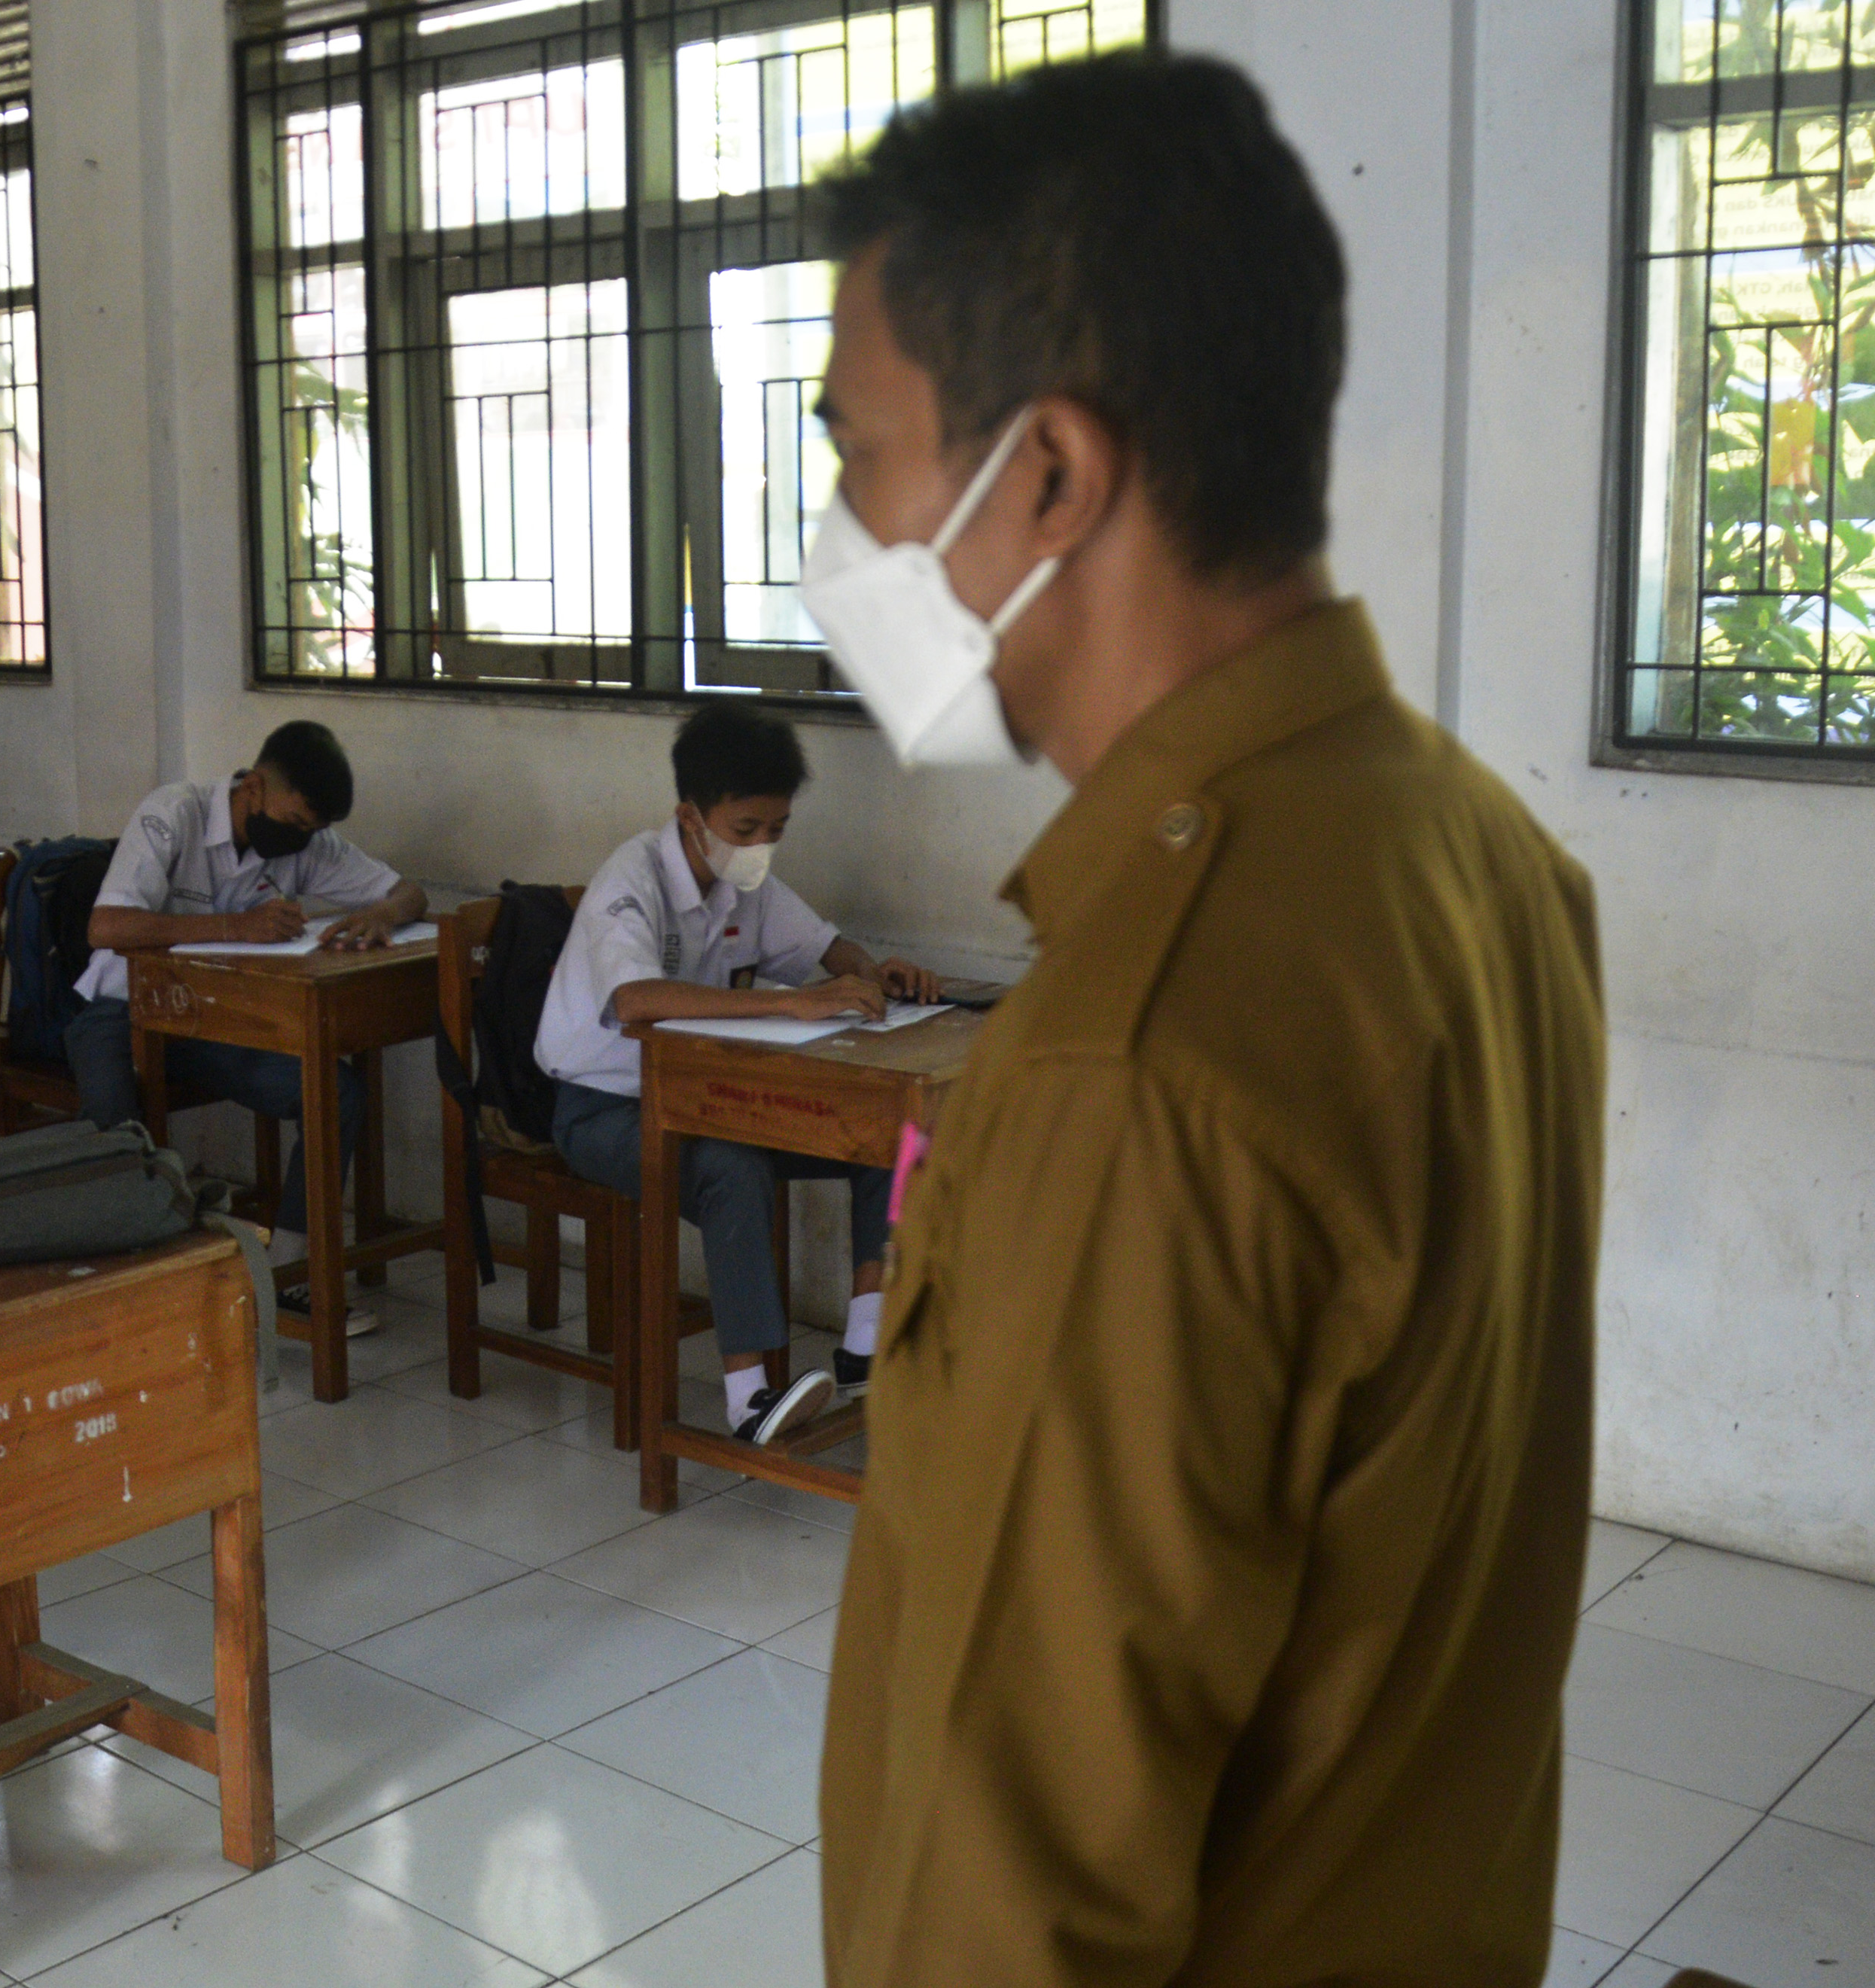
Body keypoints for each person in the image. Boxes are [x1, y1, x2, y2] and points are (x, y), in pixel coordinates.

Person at [800, 53, 1603, 1987]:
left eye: (857, 448)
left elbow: (1009, 1898)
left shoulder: (1133, 1061)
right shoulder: (1479, 857)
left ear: (1051, 475)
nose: (838, 522)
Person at [534, 702, 939, 1445]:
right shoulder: (632, 877)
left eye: (776, 830)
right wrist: (793, 1004)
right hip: (604, 1108)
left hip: (713, 1099)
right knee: (731, 1164)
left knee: (893, 1129)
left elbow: (829, 948)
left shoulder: (748, 886)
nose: (759, 847)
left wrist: (870, 972)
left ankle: (864, 1344)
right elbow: (635, 998)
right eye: (745, 830)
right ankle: (748, 1399)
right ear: (689, 816)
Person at [65, 720, 426, 1308]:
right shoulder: (173, 813)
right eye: (296, 823)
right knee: (112, 1125)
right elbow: (107, 927)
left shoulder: (305, 841)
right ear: (254, 787)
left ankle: (288, 1269)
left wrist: (383, 914)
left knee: (334, 1091)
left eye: (315, 830)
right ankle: (132, 1289)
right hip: (120, 1006)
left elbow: (409, 892)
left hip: (213, 1024)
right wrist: (235, 928)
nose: (303, 840)